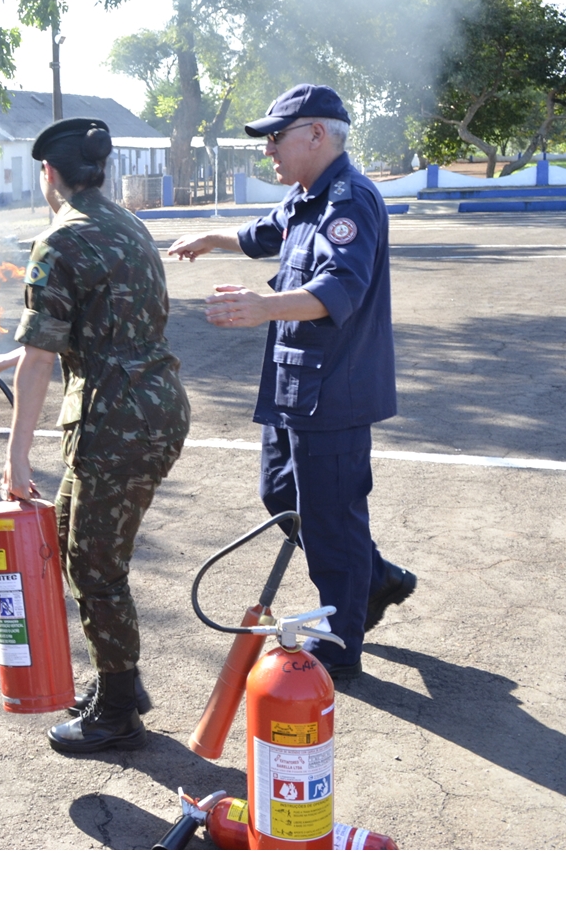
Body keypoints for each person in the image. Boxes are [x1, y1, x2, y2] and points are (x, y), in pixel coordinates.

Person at [167, 83, 415, 680]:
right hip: (294, 388)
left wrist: (263, 307)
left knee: (331, 520)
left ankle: (340, 646)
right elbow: (262, 235)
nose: (269, 149)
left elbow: (339, 290)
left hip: (334, 392)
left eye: (276, 137)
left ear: (317, 134)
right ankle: (374, 578)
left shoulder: (348, 202)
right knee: (282, 497)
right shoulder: (307, 198)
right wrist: (211, 237)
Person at [0, 117, 191, 753]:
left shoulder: (59, 241)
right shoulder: (128, 224)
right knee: (71, 543)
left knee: (95, 564)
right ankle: (123, 683)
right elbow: (90, 330)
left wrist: (15, 460)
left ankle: (117, 714)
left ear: (49, 175)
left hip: (114, 422)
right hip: (157, 406)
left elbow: (42, 360)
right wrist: (6, 359)